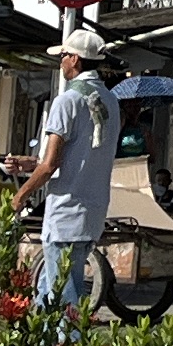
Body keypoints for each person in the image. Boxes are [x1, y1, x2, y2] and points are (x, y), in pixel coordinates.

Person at [20, 37, 122, 312]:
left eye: (63, 55)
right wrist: (33, 164)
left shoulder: (67, 101)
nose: (61, 61)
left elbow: (50, 165)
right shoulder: (111, 101)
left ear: (75, 59)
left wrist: (20, 196)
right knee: (48, 291)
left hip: (66, 211)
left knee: (65, 294)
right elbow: (78, 155)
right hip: (93, 209)